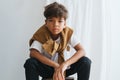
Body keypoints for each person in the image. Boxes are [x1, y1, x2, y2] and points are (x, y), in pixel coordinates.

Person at [24, 2, 91, 80]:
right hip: (48, 68)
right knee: (30, 63)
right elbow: (33, 53)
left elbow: (82, 51)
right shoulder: (42, 34)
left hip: (65, 68)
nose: (55, 24)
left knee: (85, 62)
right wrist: (55, 65)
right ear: (46, 22)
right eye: (51, 21)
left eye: (60, 21)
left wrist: (64, 65)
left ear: (65, 24)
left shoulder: (67, 33)